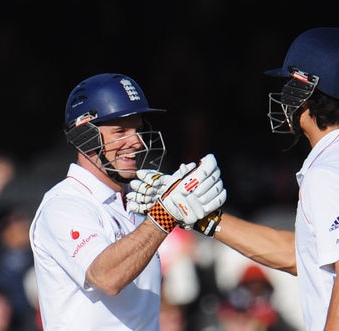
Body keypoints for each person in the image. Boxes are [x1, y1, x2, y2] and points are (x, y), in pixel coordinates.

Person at [129, 27, 339, 330]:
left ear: (305, 90)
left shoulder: (329, 174)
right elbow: (304, 255)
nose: (283, 97)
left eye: (288, 84)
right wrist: (205, 219)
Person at [28, 73, 226, 330]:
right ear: (84, 135)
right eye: (120, 131)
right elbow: (106, 277)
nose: (136, 141)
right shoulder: (64, 204)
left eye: (138, 129)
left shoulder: (136, 204)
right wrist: (164, 215)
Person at [215, 264, 296, 331]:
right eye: (251, 287)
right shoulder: (231, 311)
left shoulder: (272, 315)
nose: (255, 292)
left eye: (259, 288)